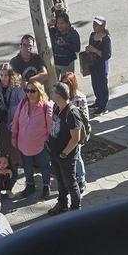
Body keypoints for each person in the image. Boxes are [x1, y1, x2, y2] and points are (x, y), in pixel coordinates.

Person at [10, 81, 53, 201]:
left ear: (39, 91)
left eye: (33, 91)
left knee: (44, 166)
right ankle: (30, 185)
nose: (29, 93)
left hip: (41, 144)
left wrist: (51, 142)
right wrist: (14, 136)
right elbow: (15, 121)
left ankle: (46, 187)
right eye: (27, 90)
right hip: (24, 143)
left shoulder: (46, 106)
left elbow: (50, 127)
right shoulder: (23, 103)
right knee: (27, 166)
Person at [46, 82, 83, 215]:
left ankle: (75, 210)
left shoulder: (72, 113)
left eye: (53, 92)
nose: (51, 94)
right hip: (55, 152)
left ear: (59, 95)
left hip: (65, 155)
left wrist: (64, 154)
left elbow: (75, 139)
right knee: (60, 181)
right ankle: (62, 203)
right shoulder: (56, 106)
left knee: (71, 183)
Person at [60, 72, 90, 192]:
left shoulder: (79, 97)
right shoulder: (61, 96)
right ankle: (70, 178)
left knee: (76, 157)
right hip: (63, 132)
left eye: (67, 83)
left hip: (76, 132)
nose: (65, 85)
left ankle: (81, 179)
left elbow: (85, 118)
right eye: (63, 83)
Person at [0, 64, 22, 182]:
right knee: (4, 147)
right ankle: (6, 168)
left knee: (14, 147)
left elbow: (22, 104)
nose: (3, 78)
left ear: (10, 76)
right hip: (1, 122)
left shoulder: (17, 88)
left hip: (14, 121)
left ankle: (15, 168)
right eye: (1, 75)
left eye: (6, 75)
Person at [85, 16, 112, 115]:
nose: (94, 26)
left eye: (97, 25)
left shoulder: (106, 39)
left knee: (102, 85)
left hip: (101, 66)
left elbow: (107, 55)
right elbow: (90, 47)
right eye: (94, 24)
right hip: (93, 64)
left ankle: (103, 106)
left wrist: (95, 50)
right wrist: (89, 49)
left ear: (102, 26)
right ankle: (98, 101)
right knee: (95, 84)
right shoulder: (92, 35)